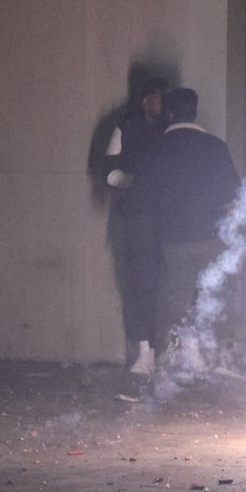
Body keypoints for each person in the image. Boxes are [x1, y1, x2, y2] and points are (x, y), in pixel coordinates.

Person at [125, 88, 239, 375]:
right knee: (216, 296)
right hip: (212, 236)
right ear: (195, 113)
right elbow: (232, 197)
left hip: (173, 239)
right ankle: (220, 359)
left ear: (170, 113)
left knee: (178, 302)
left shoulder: (156, 149)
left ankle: (186, 355)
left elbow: (141, 198)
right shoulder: (215, 147)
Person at [106, 78, 169, 373]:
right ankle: (145, 348)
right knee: (144, 283)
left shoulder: (162, 129)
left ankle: (151, 349)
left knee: (156, 283)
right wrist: (135, 184)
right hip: (140, 219)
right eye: (158, 98)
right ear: (146, 101)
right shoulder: (128, 127)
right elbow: (108, 171)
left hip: (154, 218)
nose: (163, 104)